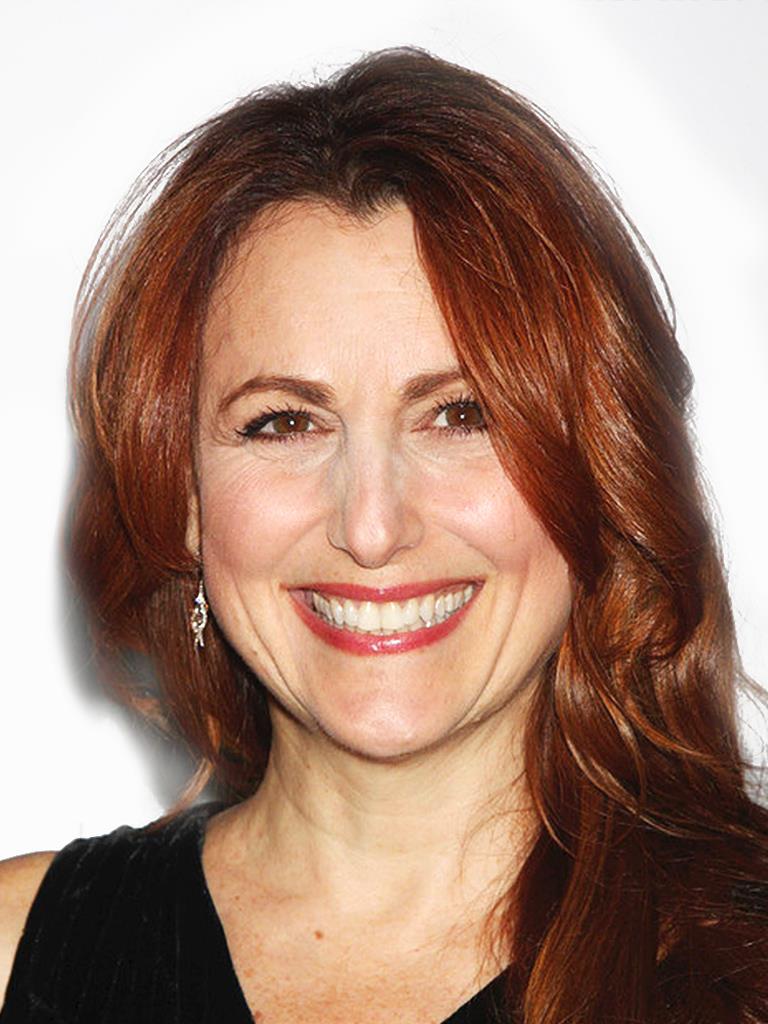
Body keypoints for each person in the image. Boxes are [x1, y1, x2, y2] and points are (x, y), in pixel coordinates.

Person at [1, 46, 766, 1023]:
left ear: (600, 472)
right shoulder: (15, 955)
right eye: (284, 422)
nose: (371, 527)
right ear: (183, 498)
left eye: (461, 415)